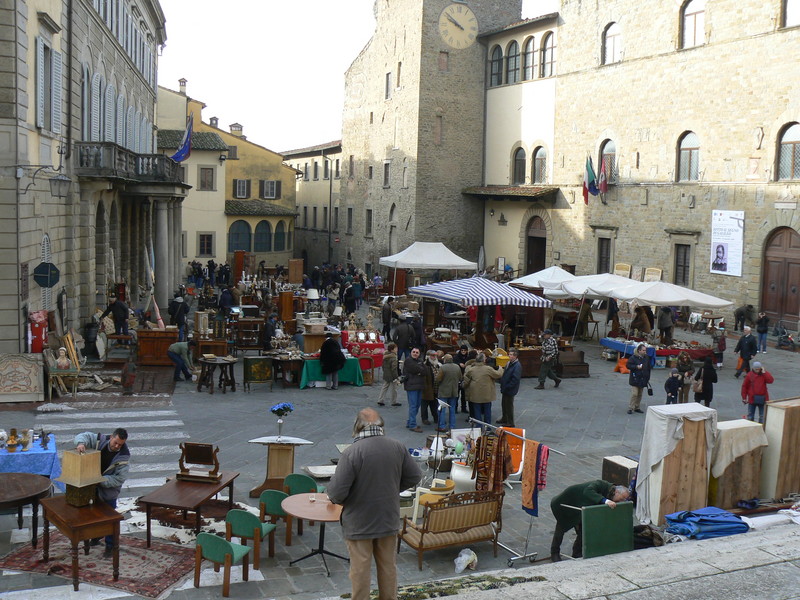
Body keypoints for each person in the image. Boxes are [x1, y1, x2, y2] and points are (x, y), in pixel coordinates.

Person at [326, 408, 421, 600]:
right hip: (388, 517)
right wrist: (393, 488)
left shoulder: (352, 452)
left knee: (360, 571)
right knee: (388, 567)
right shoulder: (397, 446)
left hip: (360, 522)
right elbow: (415, 476)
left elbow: (336, 493)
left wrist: (351, 499)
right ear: (381, 425)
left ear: (357, 426)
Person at [74, 428, 130, 554]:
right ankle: (95, 537)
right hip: (92, 487)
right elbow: (84, 435)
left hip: (108, 492)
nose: (117, 446)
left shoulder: (123, 457)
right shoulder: (100, 440)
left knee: (109, 520)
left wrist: (99, 479)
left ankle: (110, 546)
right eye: (115, 442)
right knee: (91, 515)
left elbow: (119, 479)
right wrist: (81, 443)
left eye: (120, 444)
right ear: (111, 437)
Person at [550, 480, 630, 562]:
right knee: (561, 527)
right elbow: (588, 491)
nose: (622, 501)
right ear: (616, 492)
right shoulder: (600, 484)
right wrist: (605, 501)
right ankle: (554, 553)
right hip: (567, 502)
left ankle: (577, 552)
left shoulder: (612, 493)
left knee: (584, 528)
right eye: (622, 498)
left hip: (582, 507)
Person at [462, 353, 502, 426]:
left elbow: (466, 379)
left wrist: (464, 386)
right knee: (487, 411)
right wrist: (500, 368)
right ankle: (488, 427)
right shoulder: (488, 369)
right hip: (487, 394)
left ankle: (479, 427)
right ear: (483, 360)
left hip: (475, 394)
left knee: (477, 411)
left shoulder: (471, 369)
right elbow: (498, 375)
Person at [435, 354, 462, 431]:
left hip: (444, 391)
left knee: (441, 409)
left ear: (445, 360)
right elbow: (460, 377)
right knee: (452, 409)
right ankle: (452, 426)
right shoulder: (457, 367)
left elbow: (438, 379)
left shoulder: (443, 368)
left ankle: (442, 426)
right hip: (454, 391)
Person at [402, 347, 426, 432]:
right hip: (411, 386)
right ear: (411, 352)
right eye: (414, 352)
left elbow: (424, 371)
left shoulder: (420, 361)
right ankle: (412, 424)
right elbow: (414, 369)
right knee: (413, 405)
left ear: (419, 354)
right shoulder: (408, 360)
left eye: (417, 352)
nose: (415, 353)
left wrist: (419, 371)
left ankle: (410, 421)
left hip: (419, 386)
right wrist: (419, 370)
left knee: (417, 405)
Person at [497, 348, 522, 426]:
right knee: (504, 404)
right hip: (505, 387)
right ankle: (504, 418)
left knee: (509, 406)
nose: (509, 356)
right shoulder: (508, 363)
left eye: (511, 355)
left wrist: (508, 386)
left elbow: (515, 379)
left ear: (515, 356)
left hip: (510, 389)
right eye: (509, 354)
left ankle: (510, 422)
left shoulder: (517, 366)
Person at [626, 344, 651, 415]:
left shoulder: (646, 357)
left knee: (640, 394)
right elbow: (628, 365)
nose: (645, 352)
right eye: (643, 350)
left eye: (645, 350)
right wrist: (636, 367)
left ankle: (637, 407)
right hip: (635, 378)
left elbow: (648, 368)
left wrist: (648, 377)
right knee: (635, 394)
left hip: (643, 378)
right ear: (639, 350)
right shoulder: (633, 358)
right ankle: (631, 407)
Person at [420, 350, 440, 426]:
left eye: (435, 355)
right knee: (424, 405)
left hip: (435, 388)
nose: (434, 357)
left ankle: (436, 417)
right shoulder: (425, 365)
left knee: (434, 404)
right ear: (428, 356)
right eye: (432, 355)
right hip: (427, 388)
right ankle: (424, 418)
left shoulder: (437, 364)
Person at [378, 342, 401, 407]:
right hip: (392, 375)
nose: (397, 349)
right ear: (392, 350)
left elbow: (383, 365)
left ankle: (380, 399)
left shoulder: (385, 356)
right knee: (394, 389)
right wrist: (396, 377)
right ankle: (394, 401)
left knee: (385, 387)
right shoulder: (393, 358)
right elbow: (394, 368)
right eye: (396, 348)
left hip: (386, 373)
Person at [453, 345, 470, 413]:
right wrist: (459, 364)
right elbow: (454, 363)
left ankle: (463, 408)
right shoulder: (456, 357)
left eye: (464, 350)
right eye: (462, 350)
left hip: (464, 377)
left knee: (464, 394)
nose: (463, 352)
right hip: (457, 377)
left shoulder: (468, 357)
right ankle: (455, 408)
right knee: (456, 394)